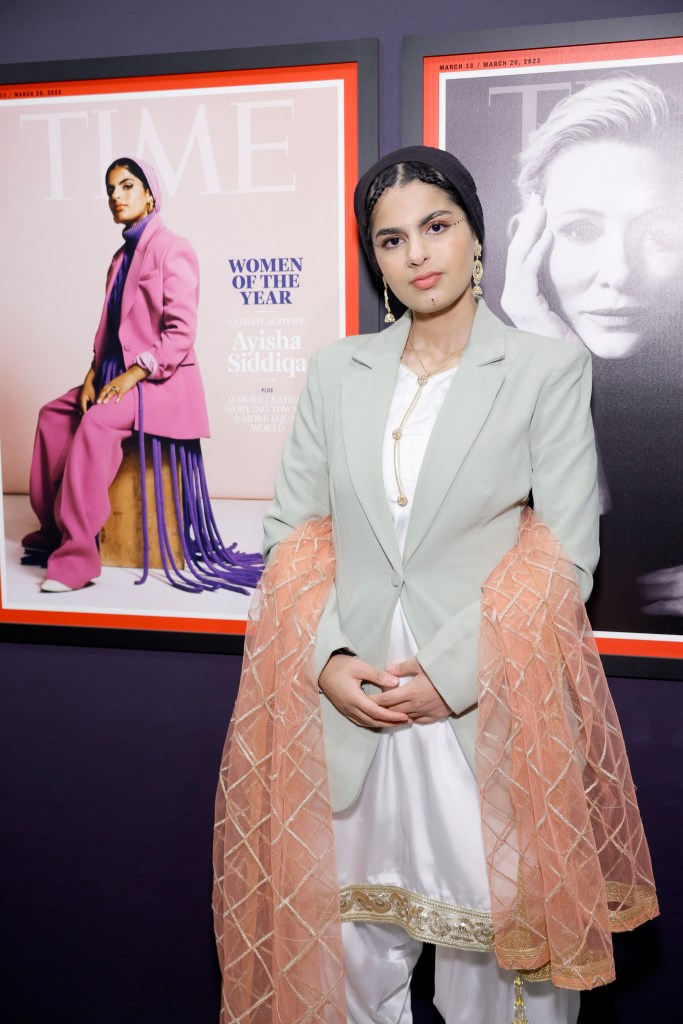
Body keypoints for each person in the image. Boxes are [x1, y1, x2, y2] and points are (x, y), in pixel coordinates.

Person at [213, 146, 657, 1024]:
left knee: (500, 977)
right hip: (345, 715)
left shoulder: (545, 370)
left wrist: (450, 677)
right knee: (341, 961)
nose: (416, 253)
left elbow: (566, 558)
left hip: (485, 716)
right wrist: (328, 658)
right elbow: (288, 536)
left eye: (435, 226)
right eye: (389, 239)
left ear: (476, 238)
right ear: (372, 259)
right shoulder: (337, 372)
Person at [22, 157, 261, 594]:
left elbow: (181, 333)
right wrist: (94, 371)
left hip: (160, 383)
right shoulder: (120, 257)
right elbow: (110, 327)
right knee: (53, 417)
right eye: (111, 189)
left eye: (128, 186)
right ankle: (53, 531)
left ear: (150, 194)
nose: (117, 196)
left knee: (95, 423)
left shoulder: (174, 248)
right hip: (115, 372)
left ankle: (76, 560)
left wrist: (132, 375)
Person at [500, 75, 683, 629]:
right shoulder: (476, 381)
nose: (620, 275)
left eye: (659, 233)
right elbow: (588, 580)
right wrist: (560, 365)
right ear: (527, 241)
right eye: (581, 231)